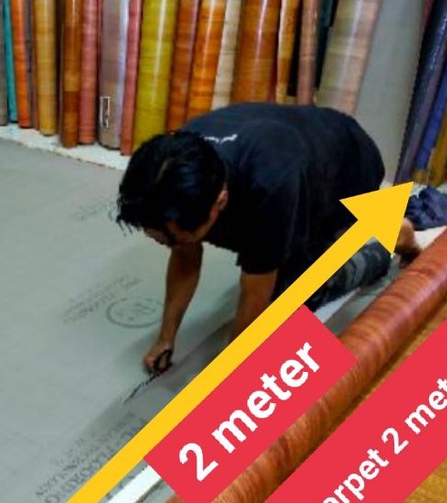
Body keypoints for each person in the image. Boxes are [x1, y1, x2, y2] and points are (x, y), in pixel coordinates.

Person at [116, 103, 419, 374]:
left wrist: (224, 375)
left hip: (345, 165)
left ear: (220, 202)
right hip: (297, 142)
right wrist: (166, 337)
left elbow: (255, 295)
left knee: (297, 296)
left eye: (171, 238)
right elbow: (185, 255)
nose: (163, 242)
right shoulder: (179, 166)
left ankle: (389, 240)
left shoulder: (270, 188)